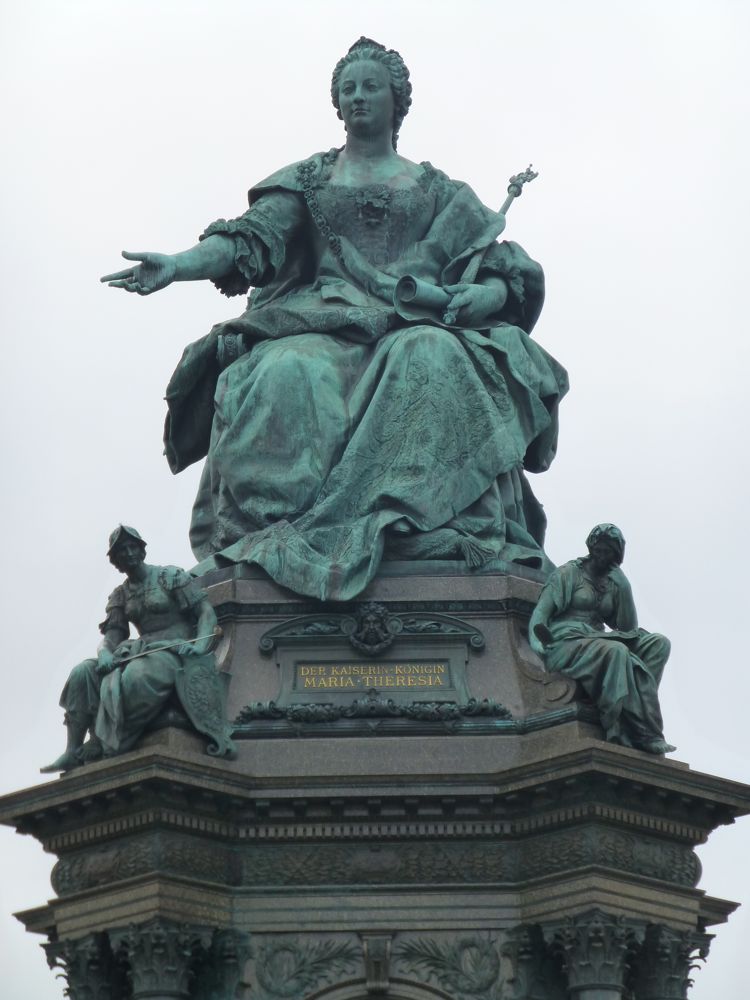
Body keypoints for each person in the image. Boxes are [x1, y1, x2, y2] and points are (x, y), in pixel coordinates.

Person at [101, 38, 568, 602]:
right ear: (336, 103)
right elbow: (248, 240)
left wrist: (484, 298)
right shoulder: (309, 180)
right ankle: (279, 534)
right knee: (286, 373)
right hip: (318, 321)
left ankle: (417, 519)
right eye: (348, 89)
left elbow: (497, 265)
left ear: (398, 100)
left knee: (434, 356)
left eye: (371, 86)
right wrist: (178, 265)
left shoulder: (439, 190)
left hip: (412, 323)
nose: (358, 97)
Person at [41, 526, 235, 773]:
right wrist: (104, 653)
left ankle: (106, 741)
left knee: (136, 678)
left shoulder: (170, 576)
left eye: (133, 547)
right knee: (82, 673)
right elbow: (112, 637)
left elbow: (206, 614)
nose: (129, 553)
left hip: (175, 652)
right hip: (138, 651)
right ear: (116, 561)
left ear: (142, 551)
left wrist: (198, 646)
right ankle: (72, 750)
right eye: (122, 551)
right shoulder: (120, 595)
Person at [528, 524, 675, 754]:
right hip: (566, 642)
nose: (602, 556)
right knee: (616, 652)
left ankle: (634, 711)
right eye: (599, 550)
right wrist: (536, 644)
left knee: (659, 644)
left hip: (598, 640)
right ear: (591, 548)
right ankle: (638, 730)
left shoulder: (613, 582)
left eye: (608, 552)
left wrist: (625, 588)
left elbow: (628, 629)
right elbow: (540, 614)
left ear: (617, 556)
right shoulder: (569, 573)